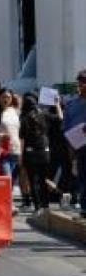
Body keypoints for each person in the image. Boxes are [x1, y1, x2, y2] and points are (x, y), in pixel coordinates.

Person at [20, 93, 51, 212]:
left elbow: (22, 138)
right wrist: (57, 104)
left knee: (33, 180)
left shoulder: (24, 118)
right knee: (43, 179)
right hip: (44, 151)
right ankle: (46, 205)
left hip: (30, 152)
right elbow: (59, 117)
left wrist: (21, 156)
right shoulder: (43, 115)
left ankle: (37, 207)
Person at [63, 69, 86, 217]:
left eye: (84, 82)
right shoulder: (71, 104)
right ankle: (84, 207)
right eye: (80, 82)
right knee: (82, 176)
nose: (82, 84)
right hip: (79, 146)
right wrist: (70, 148)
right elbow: (66, 127)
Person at [0, 89, 22, 189]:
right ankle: (5, 203)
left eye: (8, 97)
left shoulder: (16, 112)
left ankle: (8, 202)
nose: (6, 99)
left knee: (12, 181)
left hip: (16, 150)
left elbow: (21, 132)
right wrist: (1, 136)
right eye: (3, 97)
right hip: (3, 152)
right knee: (7, 178)